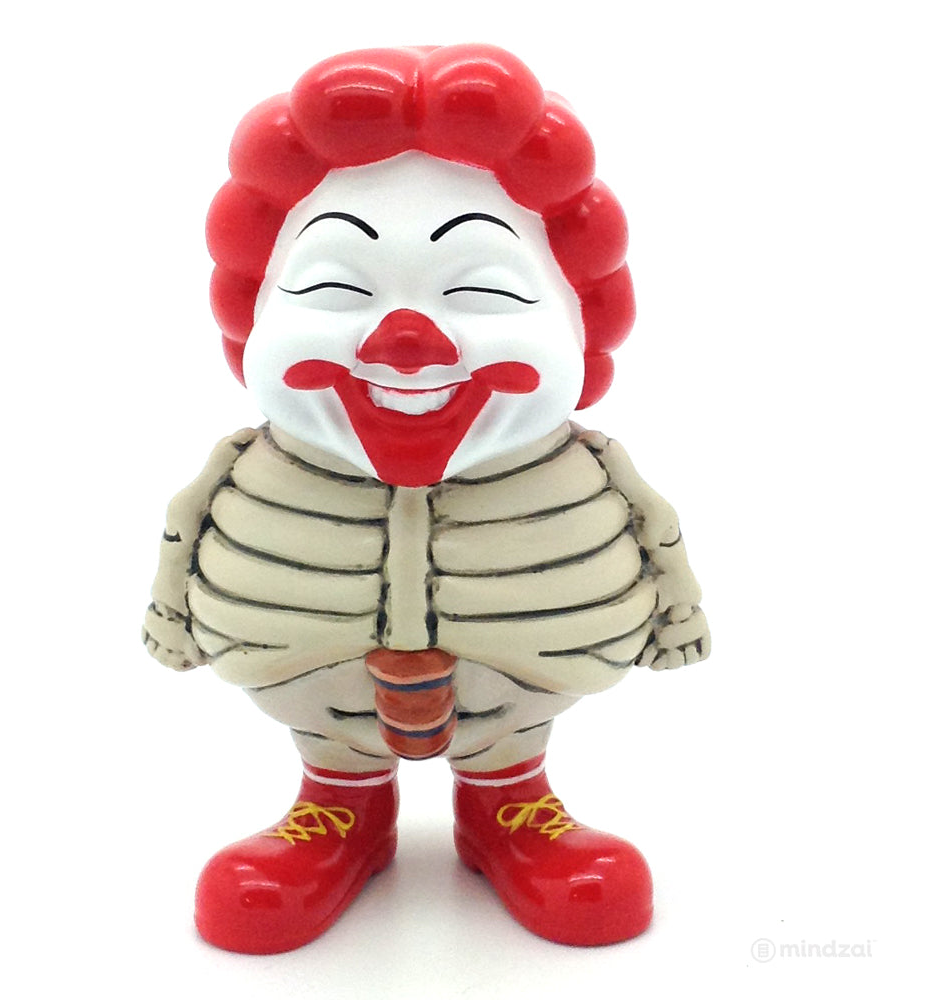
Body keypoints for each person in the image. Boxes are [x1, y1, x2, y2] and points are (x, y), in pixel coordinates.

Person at [143, 43, 710, 954]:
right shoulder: (243, 467)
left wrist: (676, 614)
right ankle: (340, 807)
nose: (407, 344)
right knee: (328, 728)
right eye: (335, 286)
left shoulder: (591, 470)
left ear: (577, 319)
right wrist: (172, 616)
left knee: (511, 726)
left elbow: (659, 531)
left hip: (521, 675)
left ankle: (509, 804)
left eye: (481, 289)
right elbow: (185, 527)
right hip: (311, 672)